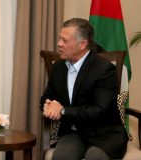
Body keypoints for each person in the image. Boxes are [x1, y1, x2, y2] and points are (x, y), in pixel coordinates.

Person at [40, 18, 128, 160]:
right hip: (74, 133)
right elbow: (47, 97)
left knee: (94, 156)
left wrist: (62, 110)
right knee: (62, 157)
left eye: (64, 40)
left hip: (104, 134)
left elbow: (100, 110)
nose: (59, 44)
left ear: (82, 44)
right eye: (59, 39)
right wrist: (49, 105)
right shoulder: (58, 68)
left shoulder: (104, 69)